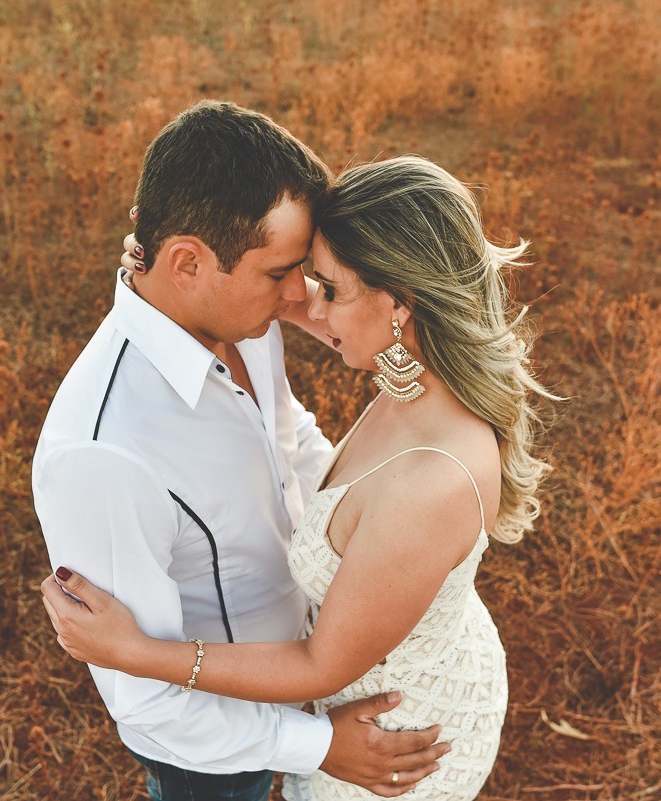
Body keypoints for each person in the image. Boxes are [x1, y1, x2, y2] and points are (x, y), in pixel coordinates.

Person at [42, 155, 563, 800]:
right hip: (361, 697)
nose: (305, 301)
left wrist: (137, 653)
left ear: (399, 303)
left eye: (326, 288)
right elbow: (309, 306)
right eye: (289, 276)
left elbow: (322, 665)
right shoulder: (415, 367)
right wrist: (169, 269)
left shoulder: (432, 481)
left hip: (398, 740)